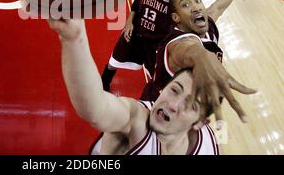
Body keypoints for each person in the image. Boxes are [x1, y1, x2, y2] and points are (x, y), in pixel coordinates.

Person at [48, 18, 255, 154]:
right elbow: (94, 108)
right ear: (163, 88)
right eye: (174, 90)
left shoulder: (211, 141)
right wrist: (73, 37)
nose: (173, 105)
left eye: (191, 105)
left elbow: (219, 134)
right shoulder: (136, 119)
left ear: (200, 123)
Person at [141, 0, 254, 121]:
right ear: (176, 17)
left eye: (198, 1)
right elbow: (189, 49)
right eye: (186, 4)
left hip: (186, 112)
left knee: (217, 131)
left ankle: (219, 137)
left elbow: (217, 7)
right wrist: (202, 56)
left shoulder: (207, 28)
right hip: (155, 111)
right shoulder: (176, 42)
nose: (196, 7)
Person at [101, 0, 187, 92]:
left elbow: (181, 22)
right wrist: (129, 22)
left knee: (157, 78)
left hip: (157, 41)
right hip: (136, 31)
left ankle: (150, 104)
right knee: (114, 60)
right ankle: (103, 84)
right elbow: (138, 0)